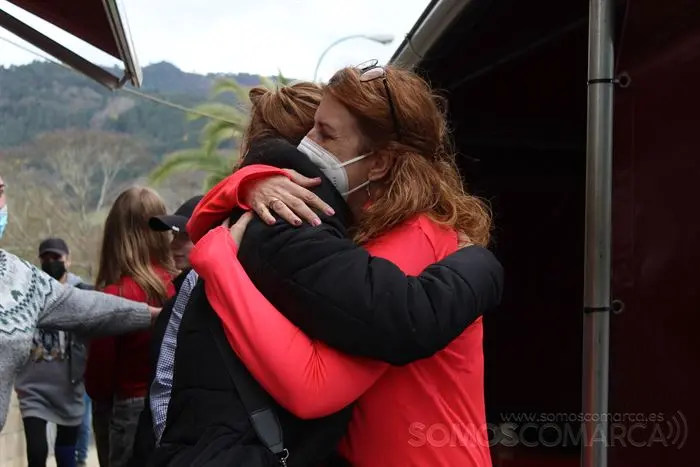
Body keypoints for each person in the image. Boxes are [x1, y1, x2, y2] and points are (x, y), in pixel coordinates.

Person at [156, 78, 502, 466]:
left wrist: (222, 270)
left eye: (325, 132)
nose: (307, 144)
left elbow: (313, 388)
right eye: (310, 127)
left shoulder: (412, 239)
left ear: (380, 162)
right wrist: (245, 184)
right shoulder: (367, 237)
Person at [84, 187, 177, 467]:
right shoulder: (181, 287)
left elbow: (99, 382)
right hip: (176, 410)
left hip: (128, 412)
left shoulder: (114, 297)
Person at [127, 195, 202, 467]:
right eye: (174, 236)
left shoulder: (201, 296)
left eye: (186, 236)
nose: (174, 245)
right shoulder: (182, 291)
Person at [14, 238, 93, 467]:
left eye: (56, 258)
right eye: (45, 258)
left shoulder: (83, 294)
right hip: (33, 390)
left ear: (68, 260)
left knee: (65, 455)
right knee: (37, 452)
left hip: (69, 389)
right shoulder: (26, 293)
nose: (51, 263)